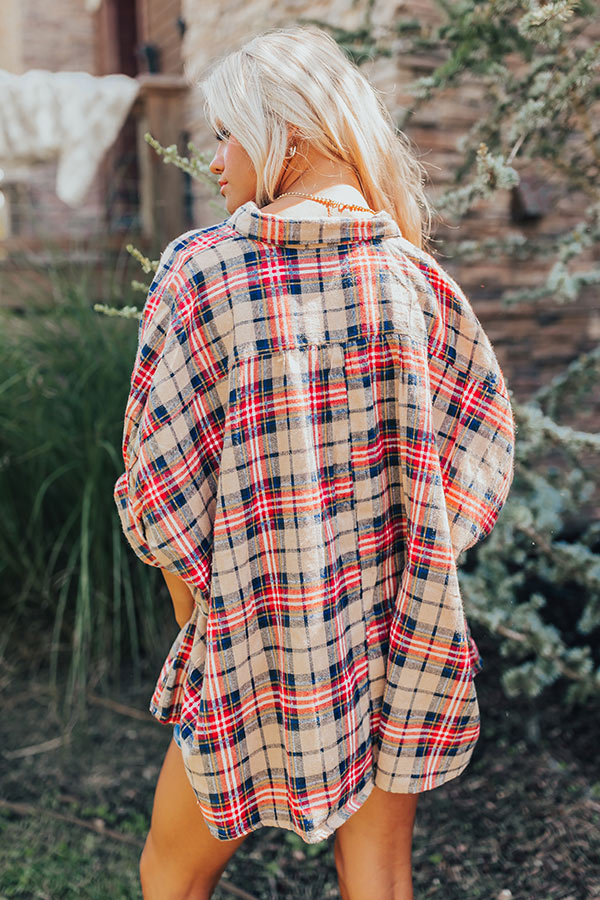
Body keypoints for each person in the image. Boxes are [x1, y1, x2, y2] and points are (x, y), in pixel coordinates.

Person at [114, 23, 516, 900]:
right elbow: (477, 459)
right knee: (378, 874)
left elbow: (162, 496)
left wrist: (203, 631)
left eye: (225, 134)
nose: (214, 161)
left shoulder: (201, 274)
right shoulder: (417, 282)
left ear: (285, 134)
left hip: (244, 641)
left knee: (169, 873)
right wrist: (408, 572)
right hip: (392, 644)